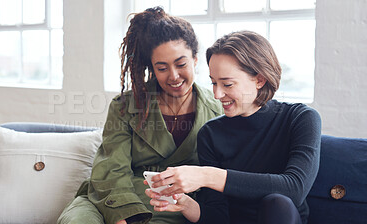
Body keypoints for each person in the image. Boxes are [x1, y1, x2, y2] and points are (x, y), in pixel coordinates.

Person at [57, 6, 222, 224]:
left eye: (181, 64)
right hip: (109, 200)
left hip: (172, 206)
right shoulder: (124, 106)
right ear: (152, 68)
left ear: (195, 59)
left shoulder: (218, 109)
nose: (173, 76)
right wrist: (122, 218)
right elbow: (111, 170)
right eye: (162, 68)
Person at [145, 30, 322, 224]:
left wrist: (206, 176)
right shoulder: (211, 134)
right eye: (213, 83)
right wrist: (185, 203)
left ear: (259, 80)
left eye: (227, 84)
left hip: (280, 217)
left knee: (277, 202)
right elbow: (217, 216)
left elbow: (295, 189)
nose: (217, 94)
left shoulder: (301, 118)